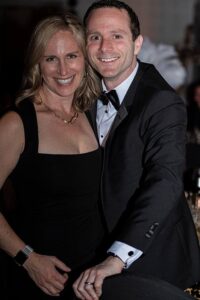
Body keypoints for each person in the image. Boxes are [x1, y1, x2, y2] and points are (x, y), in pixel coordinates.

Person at [73, 1, 200, 299]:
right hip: (92, 259)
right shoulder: (85, 93)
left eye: (117, 36)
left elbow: (164, 181)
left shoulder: (161, 102)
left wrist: (116, 258)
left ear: (137, 43)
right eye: (95, 37)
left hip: (155, 262)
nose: (105, 47)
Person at [0, 13, 105, 299]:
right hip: (39, 281)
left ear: (85, 59)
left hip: (92, 280)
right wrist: (28, 259)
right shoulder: (17, 123)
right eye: (50, 59)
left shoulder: (94, 115)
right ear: (37, 63)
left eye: (71, 56)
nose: (63, 69)